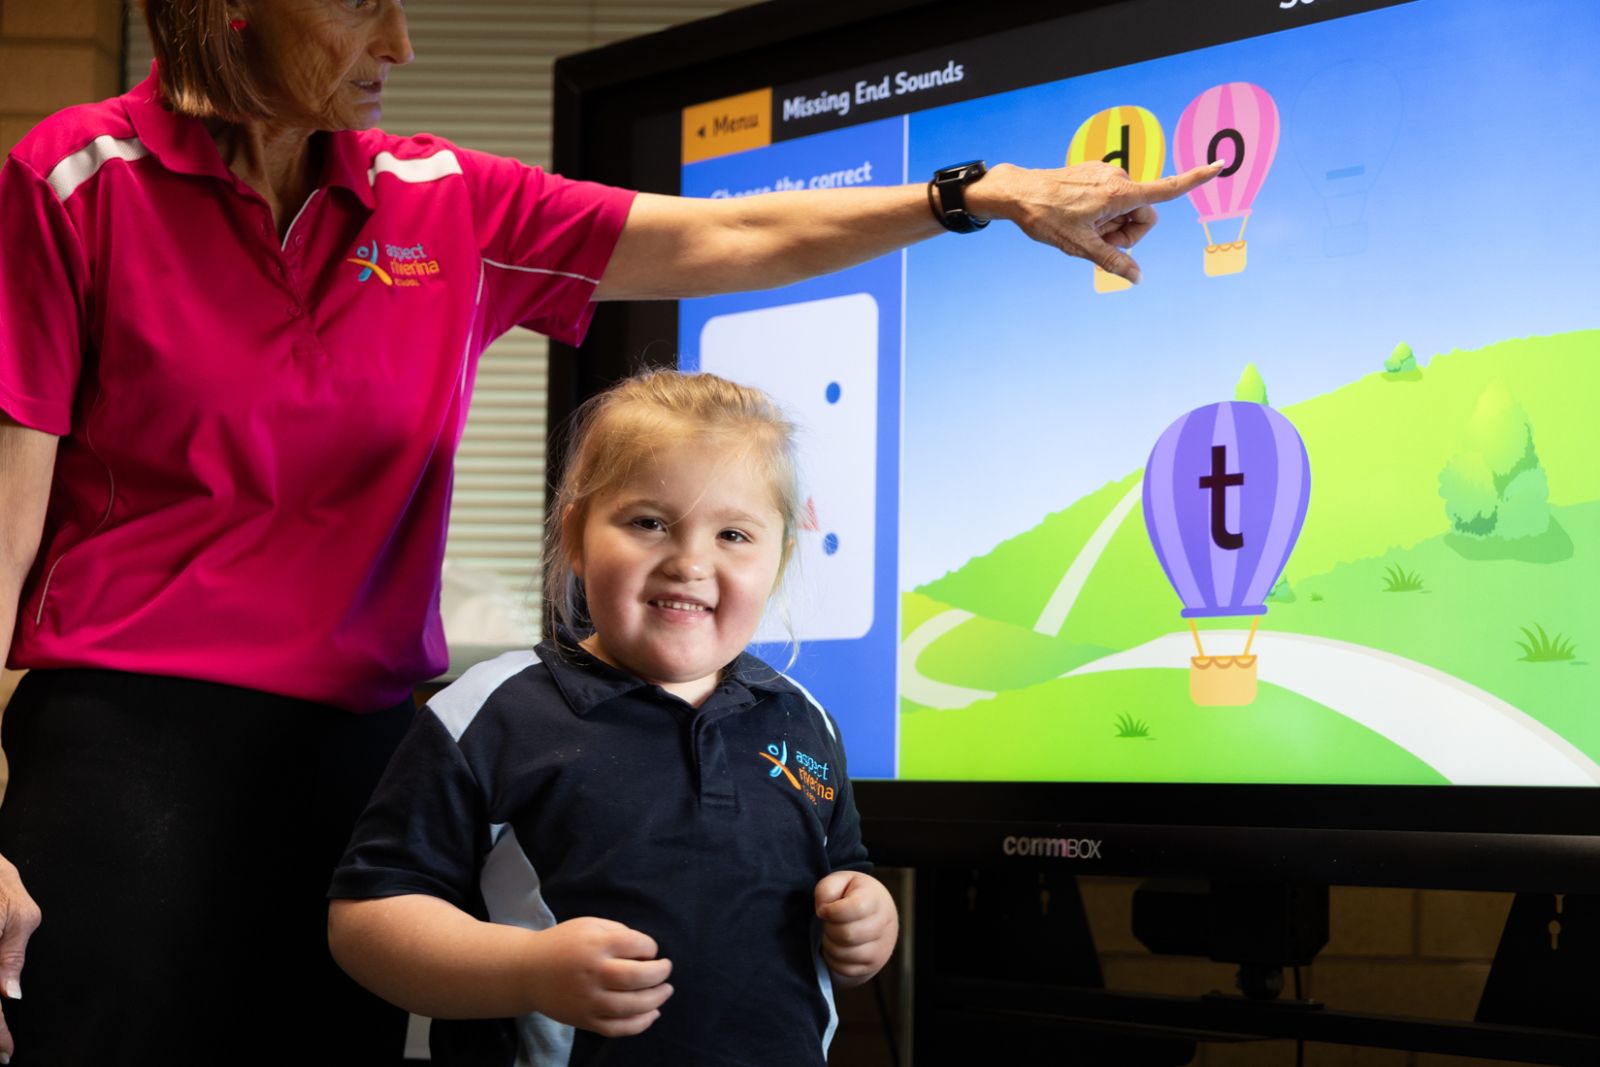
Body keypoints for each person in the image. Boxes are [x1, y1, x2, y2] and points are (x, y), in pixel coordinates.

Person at [0, 0, 1218, 1061]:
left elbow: (729, 237)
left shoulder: (445, 203)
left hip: (364, 749)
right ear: (233, 7)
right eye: (362, 3)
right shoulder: (75, 182)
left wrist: (977, 193)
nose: (403, 43)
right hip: (132, 744)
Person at [326, 369, 895, 1066]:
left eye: (734, 534)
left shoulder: (805, 721)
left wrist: (870, 920)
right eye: (649, 522)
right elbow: (365, 922)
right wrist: (528, 968)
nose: (689, 561)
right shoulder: (490, 715)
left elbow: (846, 873)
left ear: (778, 560)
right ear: (577, 536)